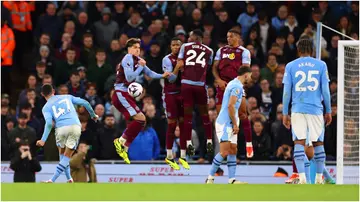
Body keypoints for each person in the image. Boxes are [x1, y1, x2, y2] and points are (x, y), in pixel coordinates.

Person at [112, 38, 170, 164]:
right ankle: (121, 141)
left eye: (139, 48)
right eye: (135, 47)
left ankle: (125, 147)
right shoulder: (127, 58)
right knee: (140, 119)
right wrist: (140, 67)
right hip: (120, 93)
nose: (138, 50)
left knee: (140, 122)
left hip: (125, 95)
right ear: (129, 49)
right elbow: (130, 77)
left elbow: (150, 73)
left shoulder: (137, 60)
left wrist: (162, 75)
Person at [282, 37, 331, 184]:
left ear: (298, 50)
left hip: (298, 108)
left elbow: (286, 92)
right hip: (316, 109)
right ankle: (318, 179)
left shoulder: (291, 66)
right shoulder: (321, 65)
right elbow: (326, 91)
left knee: (299, 142)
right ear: (312, 50)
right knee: (318, 143)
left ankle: (302, 177)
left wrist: (285, 112)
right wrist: (328, 110)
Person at [36, 84, 98, 183]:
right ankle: (64, 178)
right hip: (75, 126)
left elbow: (48, 124)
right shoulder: (67, 97)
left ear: (42, 94)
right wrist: (93, 115)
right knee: (67, 156)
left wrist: (43, 140)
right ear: (53, 91)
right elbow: (85, 102)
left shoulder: (46, 108)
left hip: (60, 128)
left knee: (62, 154)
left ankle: (61, 179)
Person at [206, 66, 252, 184]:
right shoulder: (236, 86)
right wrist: (236, 124)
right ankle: (210, 177)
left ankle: (232, 179)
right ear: (246, 75)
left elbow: (239, 107)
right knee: (224, 151)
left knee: (233, 150)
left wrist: (241, 116)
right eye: (250, 76)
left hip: (231, 122)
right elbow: (230, 106)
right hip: (226, 123)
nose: (251, 79)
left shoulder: (238, 86)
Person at [212, 29, 254, 158]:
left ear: (237, 37)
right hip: (222, 86)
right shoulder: (221, 50)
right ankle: (223, 148)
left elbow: (246, 71)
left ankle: (248, 143)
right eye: (227, 37)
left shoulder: (244, 52)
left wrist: (239, 83)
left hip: (236, 85)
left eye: (231, 37)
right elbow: (214, 68)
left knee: (242, 113)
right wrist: (218, 80)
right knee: (222, 116)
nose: (228, 39)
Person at [172, 29, 214, 157]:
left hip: (186, 84)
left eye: (190, 36)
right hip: (200, 85)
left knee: (187, 115)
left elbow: (179, 64)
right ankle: (209, 140)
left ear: (196, 37)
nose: (188, 38)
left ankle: (189, 142)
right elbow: (208, 65)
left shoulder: (185, 47)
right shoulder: (209, 50)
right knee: (205, 114)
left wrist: (180, 70)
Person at [162, 37, 189, 170]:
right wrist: (178, 67)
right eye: (173, 45)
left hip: (183, 94)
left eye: (178, 45)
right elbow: (171, 79)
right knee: (172, 124)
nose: (176, 47)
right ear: (170, 47)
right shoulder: (167, 60)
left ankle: (183, 156)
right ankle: (169, 155)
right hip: (171, 95)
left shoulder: (187, 58)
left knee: (184, 125)